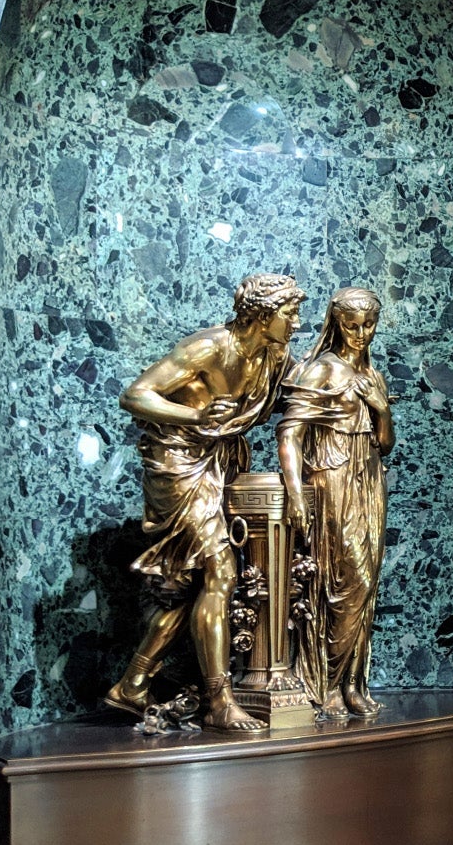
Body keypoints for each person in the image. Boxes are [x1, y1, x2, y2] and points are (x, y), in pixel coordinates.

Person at [108, 273, 306, 731]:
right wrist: (195, 415)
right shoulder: (208, 348)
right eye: (290, 313)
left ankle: (133, 683)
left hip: (222, 460)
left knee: (195, 581)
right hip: (178, 464)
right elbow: (135, 395)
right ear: (263, 315)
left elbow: (304, 390)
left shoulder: (274, 355)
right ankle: (219, 701)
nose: (296, 322)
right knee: (221, 572)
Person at [277, 287, 393, 717]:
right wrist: (295, 492)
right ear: (336, 323)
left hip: (370, 479)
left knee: (367, 583)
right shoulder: (321, 369)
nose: (361, 334)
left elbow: (385, 444)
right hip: (332, 479)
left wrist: (382, 410)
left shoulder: (374, 375)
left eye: (369, 325)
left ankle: (352, 683)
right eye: (352, 325)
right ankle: (323, 682)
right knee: (341, 581)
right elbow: (289, 434)